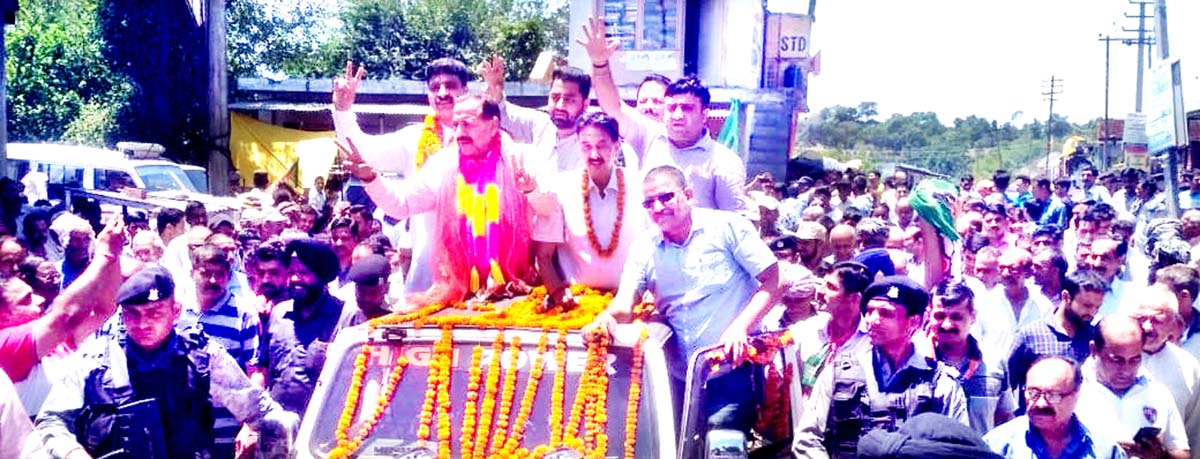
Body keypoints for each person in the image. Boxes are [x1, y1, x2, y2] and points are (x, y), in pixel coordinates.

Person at [585, 165, 781, 434]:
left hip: (730, 371)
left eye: (666, 197)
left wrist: (740, 327)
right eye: (649, 202)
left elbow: (776, 280)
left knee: (719, 442)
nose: (657, 207)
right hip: (676, 378)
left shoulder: (727, 227)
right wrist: (604, 318)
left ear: (688, 195)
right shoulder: (644, 247)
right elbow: (624, 304)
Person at [35, 266, 297, 459]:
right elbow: (51, 420)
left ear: (175, 312)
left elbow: (266, 415)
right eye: (132, 314)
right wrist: (73, 454)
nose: (142, 324)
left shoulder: (203, 356)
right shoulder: (94, 359)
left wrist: (259, 440)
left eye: (154, 312)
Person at [793, 276, 969, 458]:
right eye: (869, 311)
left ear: (914, 322)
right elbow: (807, 439)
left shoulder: (940, 383)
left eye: (886, 313)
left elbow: (960, 449)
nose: (872, 320)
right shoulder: (838, 372)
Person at [532, 112, 646, 304]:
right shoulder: (561, 187)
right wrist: (558, 292)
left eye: (602, 146)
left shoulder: (640, 186)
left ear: (617, 147)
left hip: (632, 301)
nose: (594, 154)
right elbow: (543, 255)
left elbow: (657, 247)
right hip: (578, 301)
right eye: (586, 146)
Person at [178, 244, 264, 458]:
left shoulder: (243, 314)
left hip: (228, 429)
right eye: (206, 273)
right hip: (185, 428)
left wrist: (250, 424)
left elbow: (255, 372)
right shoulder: (178, 311)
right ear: (192, 273)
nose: (213, 281)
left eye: (220, 274)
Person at [1075, 315, 1189, 459]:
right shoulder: (1072, 392)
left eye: (1135, 360)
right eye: (1116, 360)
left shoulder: (1158, 394)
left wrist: (1160, 455)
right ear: (1094, 350)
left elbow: (1182, 452)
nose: (1126, 369)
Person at [260, 238, 351, 415]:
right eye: (291, 272)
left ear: (322, 276)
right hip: (276, 426)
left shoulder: (347, 316)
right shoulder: (279, 314)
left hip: (321, 431)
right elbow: (262, 370)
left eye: (304, 272)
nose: (295, 278)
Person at [983, 356, 1124, 459]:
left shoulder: (1105, 450)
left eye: (1053, 395)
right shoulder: (996, 445)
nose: (1040, 404)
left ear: (1076, 395)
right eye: (1033, 393)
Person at [923, 279, 1016, 435]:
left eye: (956, 317)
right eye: (940, 316)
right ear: (929, 315)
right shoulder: (917, 363)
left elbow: (1005, 418)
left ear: (973, 316)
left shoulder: (994, 363)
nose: (947, 325)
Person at [1006, 270, 1107, 411]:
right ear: (1066, 297)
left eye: (1097, 307)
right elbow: (1008, 383)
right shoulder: (1030, 335)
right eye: (1087, 305)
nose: (1092, 313)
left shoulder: (1095, 337)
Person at [1134, 285, 1200, 455]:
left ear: (1173, 323)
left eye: (1157, 320)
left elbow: (1194, 434)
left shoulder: (1189, 369)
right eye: (1141, 318)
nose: (1147, 327)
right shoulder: (1109, 358)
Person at [337, 254, 395, 329]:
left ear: (386, 288)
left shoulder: (397, 312)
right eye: (362, 292)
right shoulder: (341, 314)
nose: (367, 298)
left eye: (373, 292)